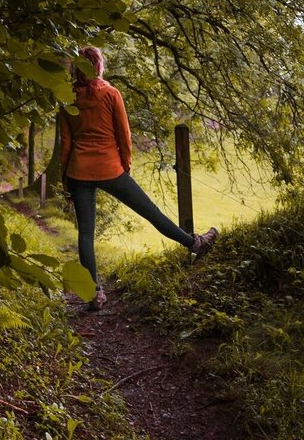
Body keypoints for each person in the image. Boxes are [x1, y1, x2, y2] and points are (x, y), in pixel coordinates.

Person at [58, 46, 219, 311]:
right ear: (98, 66)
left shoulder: (67, 100)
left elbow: (66, 144)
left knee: (85, 234)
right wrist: (126, 166)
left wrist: (67, 181)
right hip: (111, 169)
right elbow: (124, 136)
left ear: (76, 68)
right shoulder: (111, 94)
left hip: (78, 172)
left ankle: (94, 294)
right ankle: (194, 243)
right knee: (151, 212)